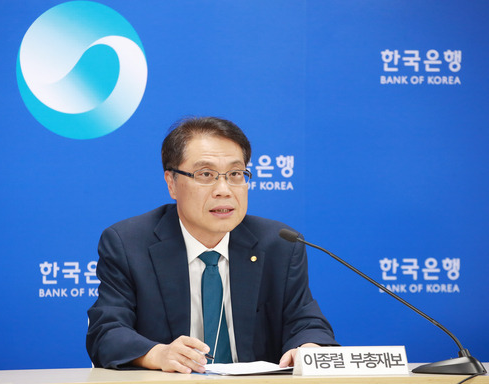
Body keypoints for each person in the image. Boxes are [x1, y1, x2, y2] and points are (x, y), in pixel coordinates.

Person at [86, 116, 337, 373]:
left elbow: (307, 322)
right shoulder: (129, 243)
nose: (224, 189)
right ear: (172, 183)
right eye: (206, 174)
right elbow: (106, 332)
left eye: (236, 174)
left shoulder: (279, 245)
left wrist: (309, 350)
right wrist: (159, 354)